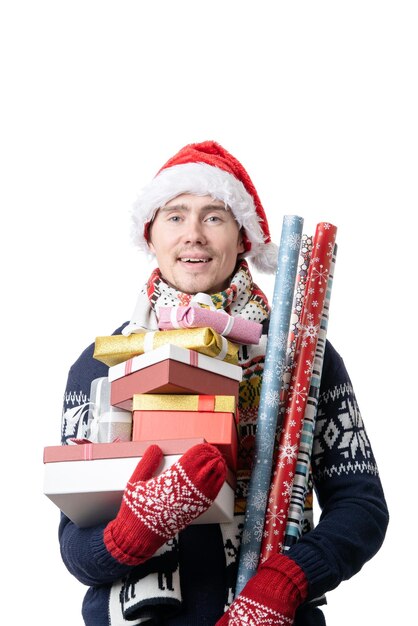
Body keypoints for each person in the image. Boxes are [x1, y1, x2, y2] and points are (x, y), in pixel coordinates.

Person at [59, 141, 389, 626]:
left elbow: (362, 506)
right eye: (175, 217)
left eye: (214, 217)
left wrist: (286, 581)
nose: (194, 235)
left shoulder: (302, 357)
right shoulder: (100, 365)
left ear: (244, 238)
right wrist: (136, 527)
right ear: (150, 235)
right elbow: (75, 550)